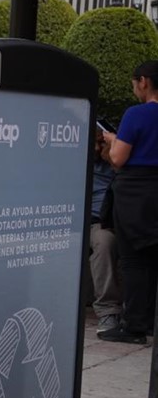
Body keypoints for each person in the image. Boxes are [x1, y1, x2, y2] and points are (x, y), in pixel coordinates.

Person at [98, 60, 158, 343]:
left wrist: (112, 140)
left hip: (136, 192)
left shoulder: (136, 114)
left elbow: (118, 158)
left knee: (134, 260)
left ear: (143, 81)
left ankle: (134, 326)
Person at [88, 132, 121, 332]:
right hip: (71, 219)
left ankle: (109, 310)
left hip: (102, 221)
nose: (96, 148)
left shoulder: (111, 164)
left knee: (105, 242)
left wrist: (110, 152)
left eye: (100, 142)